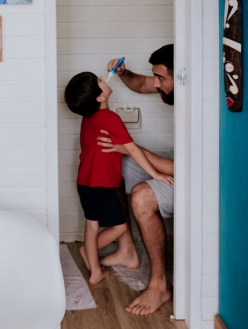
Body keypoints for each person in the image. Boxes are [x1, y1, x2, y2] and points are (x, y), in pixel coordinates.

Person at [64, 72, 173, 285]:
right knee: (121, 227)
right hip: (102, 184)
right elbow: (132, 150)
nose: (104, 79)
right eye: (100, 80)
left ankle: (95, 271)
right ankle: (90, 250)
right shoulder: (111, 119)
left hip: (84, 181)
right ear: (100, 97)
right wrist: (156, 174)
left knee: (91, 225)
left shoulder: (88, 119)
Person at [98, 43, 176, 315]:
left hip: (198, 174)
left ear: (180, 77)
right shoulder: (172, 84)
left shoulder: (205, 102)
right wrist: (123, 72)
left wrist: (132, 148)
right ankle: (128, 249)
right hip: (181, 163)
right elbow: (142, 83)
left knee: (143, 195)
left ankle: (159, 285)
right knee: (117, 164)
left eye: (161, 78)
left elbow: (185, 171)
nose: (155, 83)